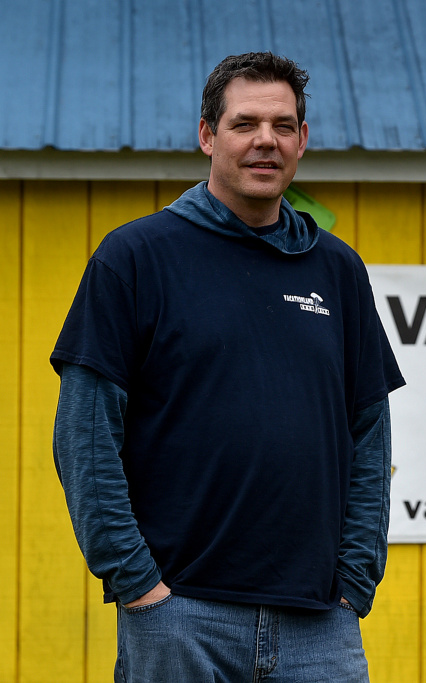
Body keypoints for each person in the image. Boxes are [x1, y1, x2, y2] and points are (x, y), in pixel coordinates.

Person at [50, 52, 404, 682]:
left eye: (283, 126)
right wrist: (137, 582)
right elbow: (85, 433)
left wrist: (356, 580)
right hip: (180, 617)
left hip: (319, 625)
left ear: (302, 140)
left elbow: (369, 433)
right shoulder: (135, 258)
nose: (265, 141)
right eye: (245, 124)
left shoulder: (338, 271)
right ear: (207, 136)